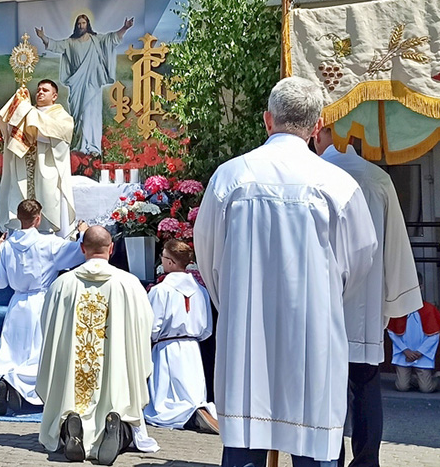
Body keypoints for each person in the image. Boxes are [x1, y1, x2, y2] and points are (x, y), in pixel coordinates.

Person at [194, 76, 377, 466]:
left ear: (267, 120)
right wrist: (326, 296)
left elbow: (208, 256)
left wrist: (233, 301)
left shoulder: (230, 178)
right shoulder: (336, 184)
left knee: (245, 446)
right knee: (313, 446)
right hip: (314, 341)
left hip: (246, 339)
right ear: (316, 127)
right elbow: (360, 260)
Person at [313, 125, 424, 465]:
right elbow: (395, 250)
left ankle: (323, 460)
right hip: (366, 303)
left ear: (318, 132)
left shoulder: (310, 175)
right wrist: (394, 302)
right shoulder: (376, 179)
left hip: (318, 305)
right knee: (364, 388)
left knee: (321, 395)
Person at [37, 226, 158, 465]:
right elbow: (145, 324)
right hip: (115, 369)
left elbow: (47, 326)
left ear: (82, 249)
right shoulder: (129, 283)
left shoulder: (63, 284)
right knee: (122, 404)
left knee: (68, 403)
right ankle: (115, 425)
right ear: (111, 249)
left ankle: (72, 424)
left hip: (75, 370)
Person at [0, 199, 87, 415]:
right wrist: (83, 233)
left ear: (18, 218)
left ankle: (5, 379)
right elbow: (79, 253)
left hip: (16, 303)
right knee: (38, 350)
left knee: (11, 349)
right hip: (41, 301)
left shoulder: (7, 246)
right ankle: (21, 386)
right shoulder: (48, 243)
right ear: (38, 218)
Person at [143, 239, 218, 433]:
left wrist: (151, 338)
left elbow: (151, 325)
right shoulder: (201, 291)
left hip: (167, 347)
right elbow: (207, 327)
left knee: (166, 399)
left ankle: (188, 416)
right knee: (191, 392)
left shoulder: (160, 291)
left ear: (170, 262)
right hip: (192, 348)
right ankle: (197, 412)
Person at [35, 15, 133, 154]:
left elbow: (111, 39)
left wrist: (125, 27)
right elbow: (56, 45)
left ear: (88, 24)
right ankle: (80, 144)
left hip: (92, 83)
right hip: (77, 83)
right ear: (76, 26)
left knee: (90, 113)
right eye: (79, 23)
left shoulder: (96, 40)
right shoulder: (70, 42)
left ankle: (92, 146)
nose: (81, 26)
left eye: (83, 23)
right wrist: (42, 37)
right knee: (78, 114)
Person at [0, 79, 76, 236]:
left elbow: (49, 136)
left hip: (47, 171)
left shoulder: (62, 117)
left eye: (45, 90)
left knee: (48, 205)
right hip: (24, 170)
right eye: (38, 89)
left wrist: (25, 111)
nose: (40, 92)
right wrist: (17, 108)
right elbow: (10, 132)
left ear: (54, 96)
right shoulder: (27, 111)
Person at [387, 282, 439, 393]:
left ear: (421, 287)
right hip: (404, 354)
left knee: (426, 389)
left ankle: (434, 380)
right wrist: (405, 350)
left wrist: (420, 352)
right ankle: (417, 380)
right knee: (402, 387)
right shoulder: (399, 309)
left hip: (422, 354)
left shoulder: (429, 309)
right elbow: (392, 331)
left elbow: (435, 334)